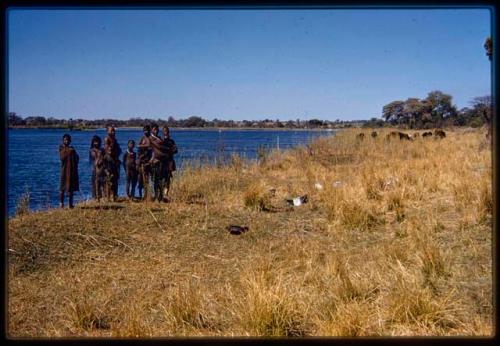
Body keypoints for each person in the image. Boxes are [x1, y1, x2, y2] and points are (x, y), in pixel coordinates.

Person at [149, 123, 169, 202]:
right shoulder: (151, 139)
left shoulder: (159, 138)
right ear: (151, 130)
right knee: (155, 180)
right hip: (155, 162)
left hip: (162, 162)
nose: (156, 131)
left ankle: (160, 196)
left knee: (161, 180)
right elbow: (156, 148)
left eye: (157, 129)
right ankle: (155, 196)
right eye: (154, 129)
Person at [59, 134, 79, 208]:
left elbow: (77, 157)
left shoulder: (72, 148)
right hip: (64, 171)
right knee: (62, 188)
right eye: (65, 140)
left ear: (70, 141)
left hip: (71, 171)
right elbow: (62, 157)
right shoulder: (61, 148)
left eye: (68, 140)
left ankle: (70, 204)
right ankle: (61, 204)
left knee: (71, 189)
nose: (66, 141)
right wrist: (70, 151)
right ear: (63, 140)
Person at [103, 124, 122, 199]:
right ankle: (108, 197)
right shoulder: (107, 139)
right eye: (111, 130)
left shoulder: (114, 139)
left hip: (115, 160)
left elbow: (118, 150)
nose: (113, 132)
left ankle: (114, 196)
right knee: (109, 179)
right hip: (109, 161)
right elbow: (108, 151)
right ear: (107, 131)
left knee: (115, 179)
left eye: (114, 130)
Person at [161, 125, 178, 200]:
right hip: (161, 162)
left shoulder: (172, 141)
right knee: (161, 178)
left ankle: (165, 194)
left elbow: (176, 150)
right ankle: (160, 194)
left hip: (169, 162)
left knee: (168, 178)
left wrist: (170, 151)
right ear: (162, 132)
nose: (166, 132)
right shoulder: (160, 140)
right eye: (164, 131)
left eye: (167, 131)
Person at [137, 125, 152, 200]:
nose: (146, 132)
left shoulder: (151, 138)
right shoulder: (142, 138)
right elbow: (138, 146)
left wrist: (143, 146)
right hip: (142, 161)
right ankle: (141, 195)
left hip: (149, 161)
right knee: (141, 178)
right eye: (145, 130)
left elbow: (150, 146)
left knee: (147, 179)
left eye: (147, 130)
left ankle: (147, 194)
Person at [89, 135, 104, 199]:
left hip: (102, 169)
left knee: (102, 184)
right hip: (95, 169)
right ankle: (95, 197)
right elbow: (94, 159)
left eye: (97, 142)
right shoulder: (92, 150)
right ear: (93, 142)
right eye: (95, 142)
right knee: (95, 184)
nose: (96, 143)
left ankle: (101, 196)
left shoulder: (102, 150)